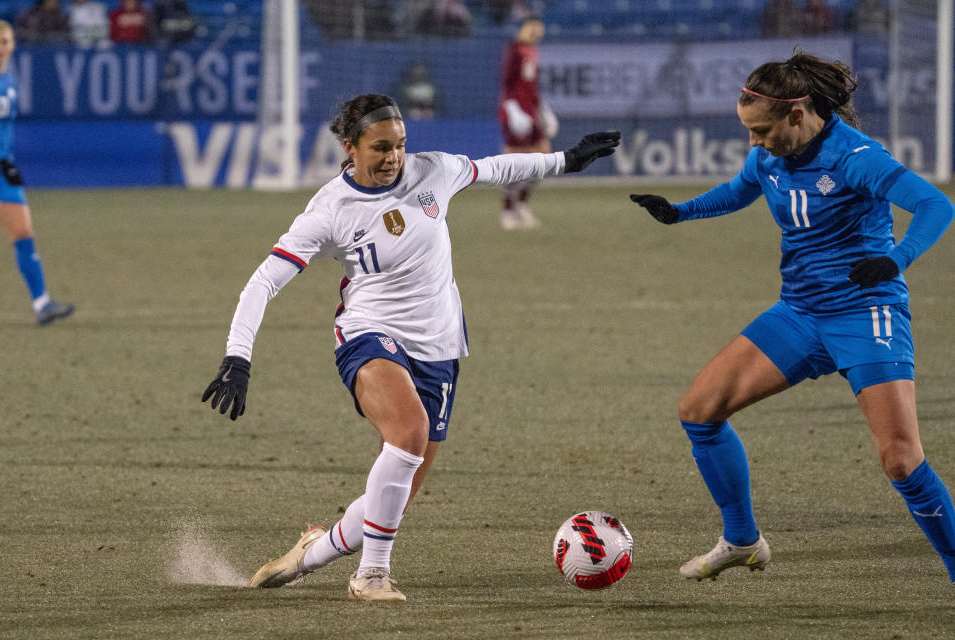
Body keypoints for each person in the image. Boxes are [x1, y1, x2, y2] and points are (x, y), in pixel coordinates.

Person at [201, 93, 619, 601]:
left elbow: (495, 168)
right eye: (380, 148)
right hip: (369, 336)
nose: (393, 157)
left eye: (399, 145)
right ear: (350, 147)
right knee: (408, 431)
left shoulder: (433, 172)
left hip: (439, 347)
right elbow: (262, 283)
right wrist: (237, 356)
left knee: (393, 494)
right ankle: (370, 577)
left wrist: (567, 160)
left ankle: (310, 553)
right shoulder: (330, 210)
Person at [630, 52, 955, 582]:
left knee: (901, 460)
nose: (754, 145)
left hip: (864, 313)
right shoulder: (768, 157)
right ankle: (742, 540)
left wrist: (896, 259)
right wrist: (680, 211)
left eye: (762, 132)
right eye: (748, 134)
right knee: (699, 411)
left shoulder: (856, 157)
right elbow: (739, 191)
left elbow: (937, 205)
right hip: (800, 312)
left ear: (799, 114)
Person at [0, 20, 73, 326]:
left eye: (4, 42)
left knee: (24, 235)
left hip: (3, 171)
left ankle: (42, 304)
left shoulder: (9, 82)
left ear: (12, 46)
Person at [497, 14, 559, 230]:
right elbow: (507, 84)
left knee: (544, 157)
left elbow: (531, 87)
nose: (536, 32)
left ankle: (521, 205)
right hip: (514, 113)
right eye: (532, 27)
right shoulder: (515, 50)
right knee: (515, 160)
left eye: (539, 28)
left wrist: (543, 110)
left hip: (531, 114)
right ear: (522, 28)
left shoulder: (532, 51)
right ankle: (507, 210)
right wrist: (513, 110)